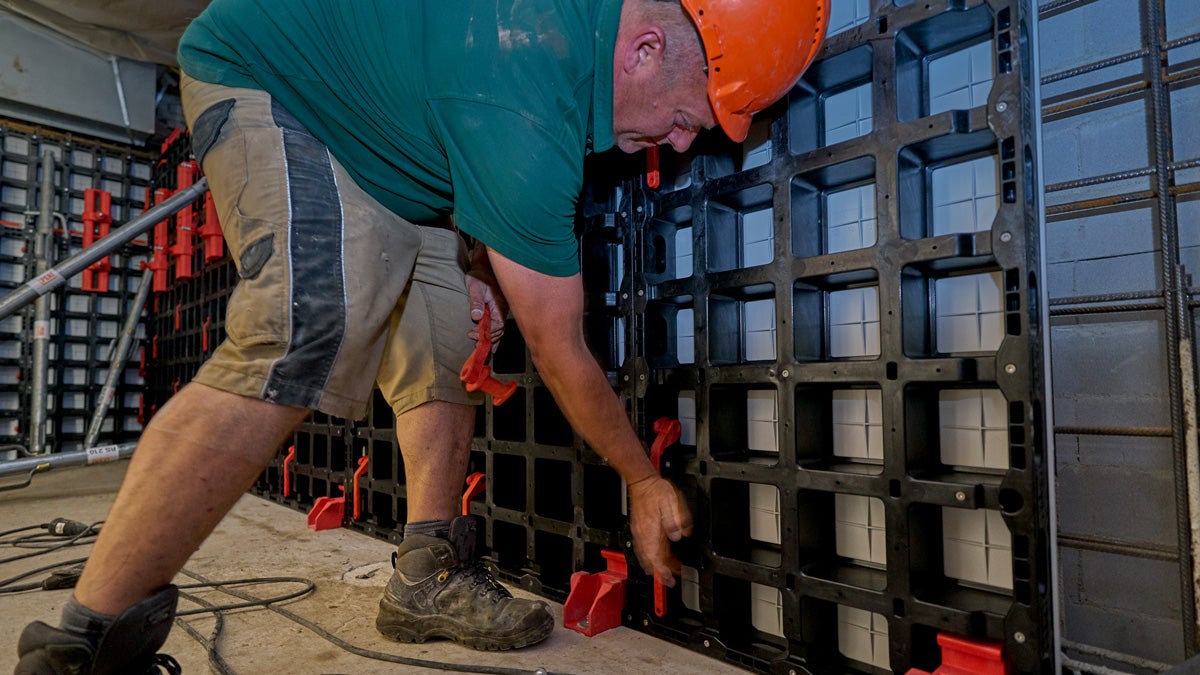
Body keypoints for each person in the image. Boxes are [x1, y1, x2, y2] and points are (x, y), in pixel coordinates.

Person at [15, 0, 826, 672]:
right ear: (645, 50)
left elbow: (450, 93)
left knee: (447, 334)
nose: (684, 143)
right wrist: (643, 480)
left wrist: (477, 259)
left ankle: (426, 573)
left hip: (399, 142)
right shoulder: (525, 100)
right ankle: (83, 641)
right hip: (278, 84)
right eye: (688, 117)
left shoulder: (552, 63)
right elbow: (557, 345)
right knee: (303, 328)